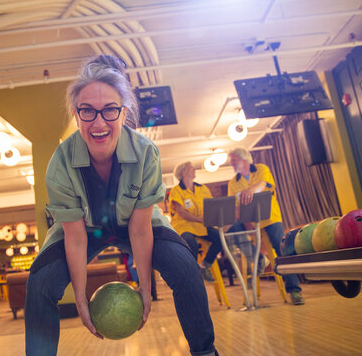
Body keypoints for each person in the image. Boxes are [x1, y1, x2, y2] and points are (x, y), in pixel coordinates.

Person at [25, 54, 219, 356]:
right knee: (40, 282)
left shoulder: (146, 154)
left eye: (110, 110)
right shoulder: (60, 163)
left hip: (137, 224)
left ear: (123, 113)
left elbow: (140, 231)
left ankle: (205, 352)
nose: (99, 122)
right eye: (87, 111)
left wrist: (145, 285)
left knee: (185, 266)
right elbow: (75, 238)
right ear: (76, 115)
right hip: (84, 230)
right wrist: (80, 300)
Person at [226, 147, 305, 305]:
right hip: (248, 221)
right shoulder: (232, 183)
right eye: (231, 162)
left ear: (244, 159)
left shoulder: (261, 169)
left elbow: (263, 184)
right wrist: (241, 219)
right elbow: (234, 208)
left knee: (280, 246)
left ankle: (294, 290)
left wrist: (250, 190)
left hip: (270, 218)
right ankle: (259, 259)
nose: (232, 165)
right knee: (233, 229)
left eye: (234, 161)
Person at [169, 161, 224, 282]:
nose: (194, 169)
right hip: (184, 225)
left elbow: (211, 207)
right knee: (190, 242)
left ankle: (204, 266)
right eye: (191, 167)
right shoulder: (176, 191)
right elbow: (181, 212)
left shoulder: (202, 188)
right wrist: (201, 220)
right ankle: (192, 274)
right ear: (183, 171)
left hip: (201, 225)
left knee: (220, 237)